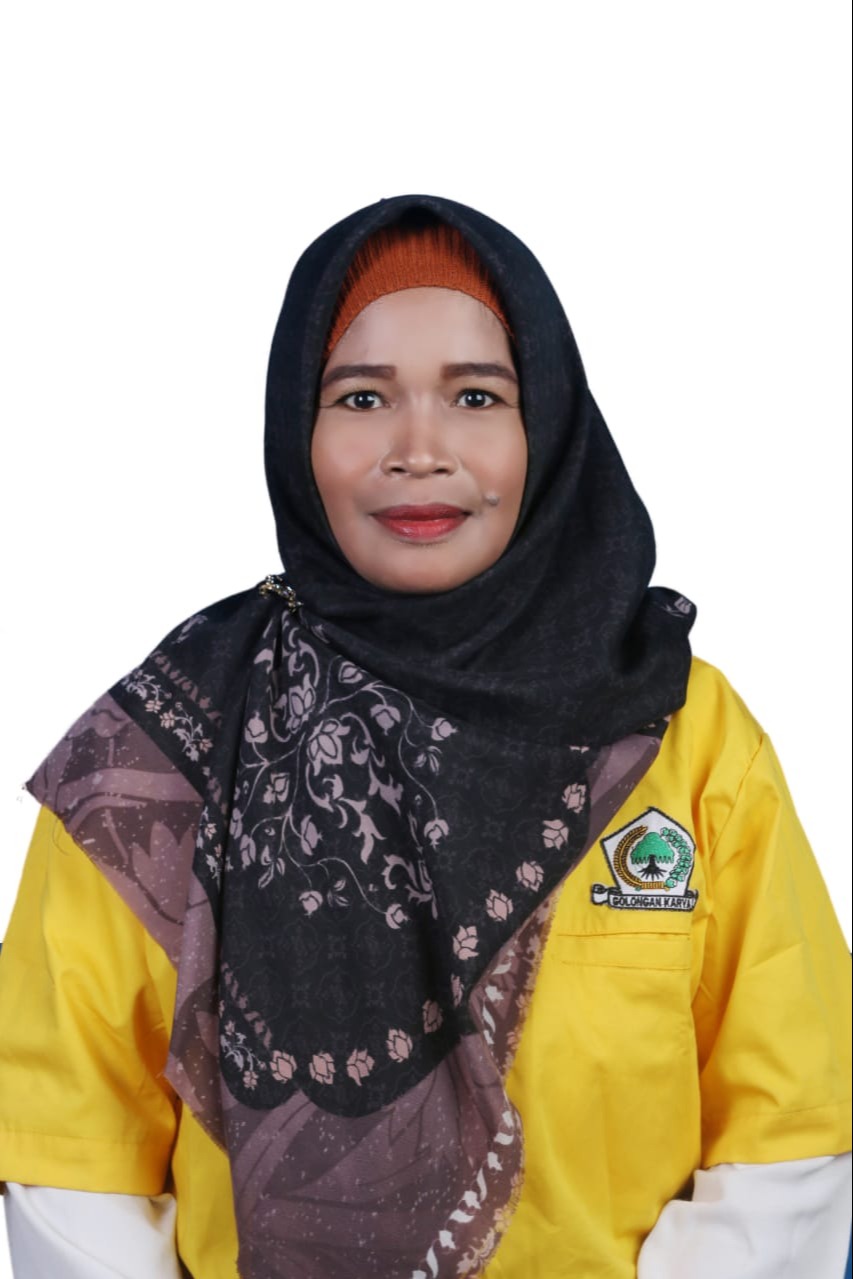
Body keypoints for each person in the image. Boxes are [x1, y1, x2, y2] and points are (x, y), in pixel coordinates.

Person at [0, 196, 849, 1278]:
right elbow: (71, 1152)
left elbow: (792, 1126)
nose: (418, 450)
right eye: (361, 396)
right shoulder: (165, 752)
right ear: (296, 430)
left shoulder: (687, 733)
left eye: (475, 395)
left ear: (547, 424)